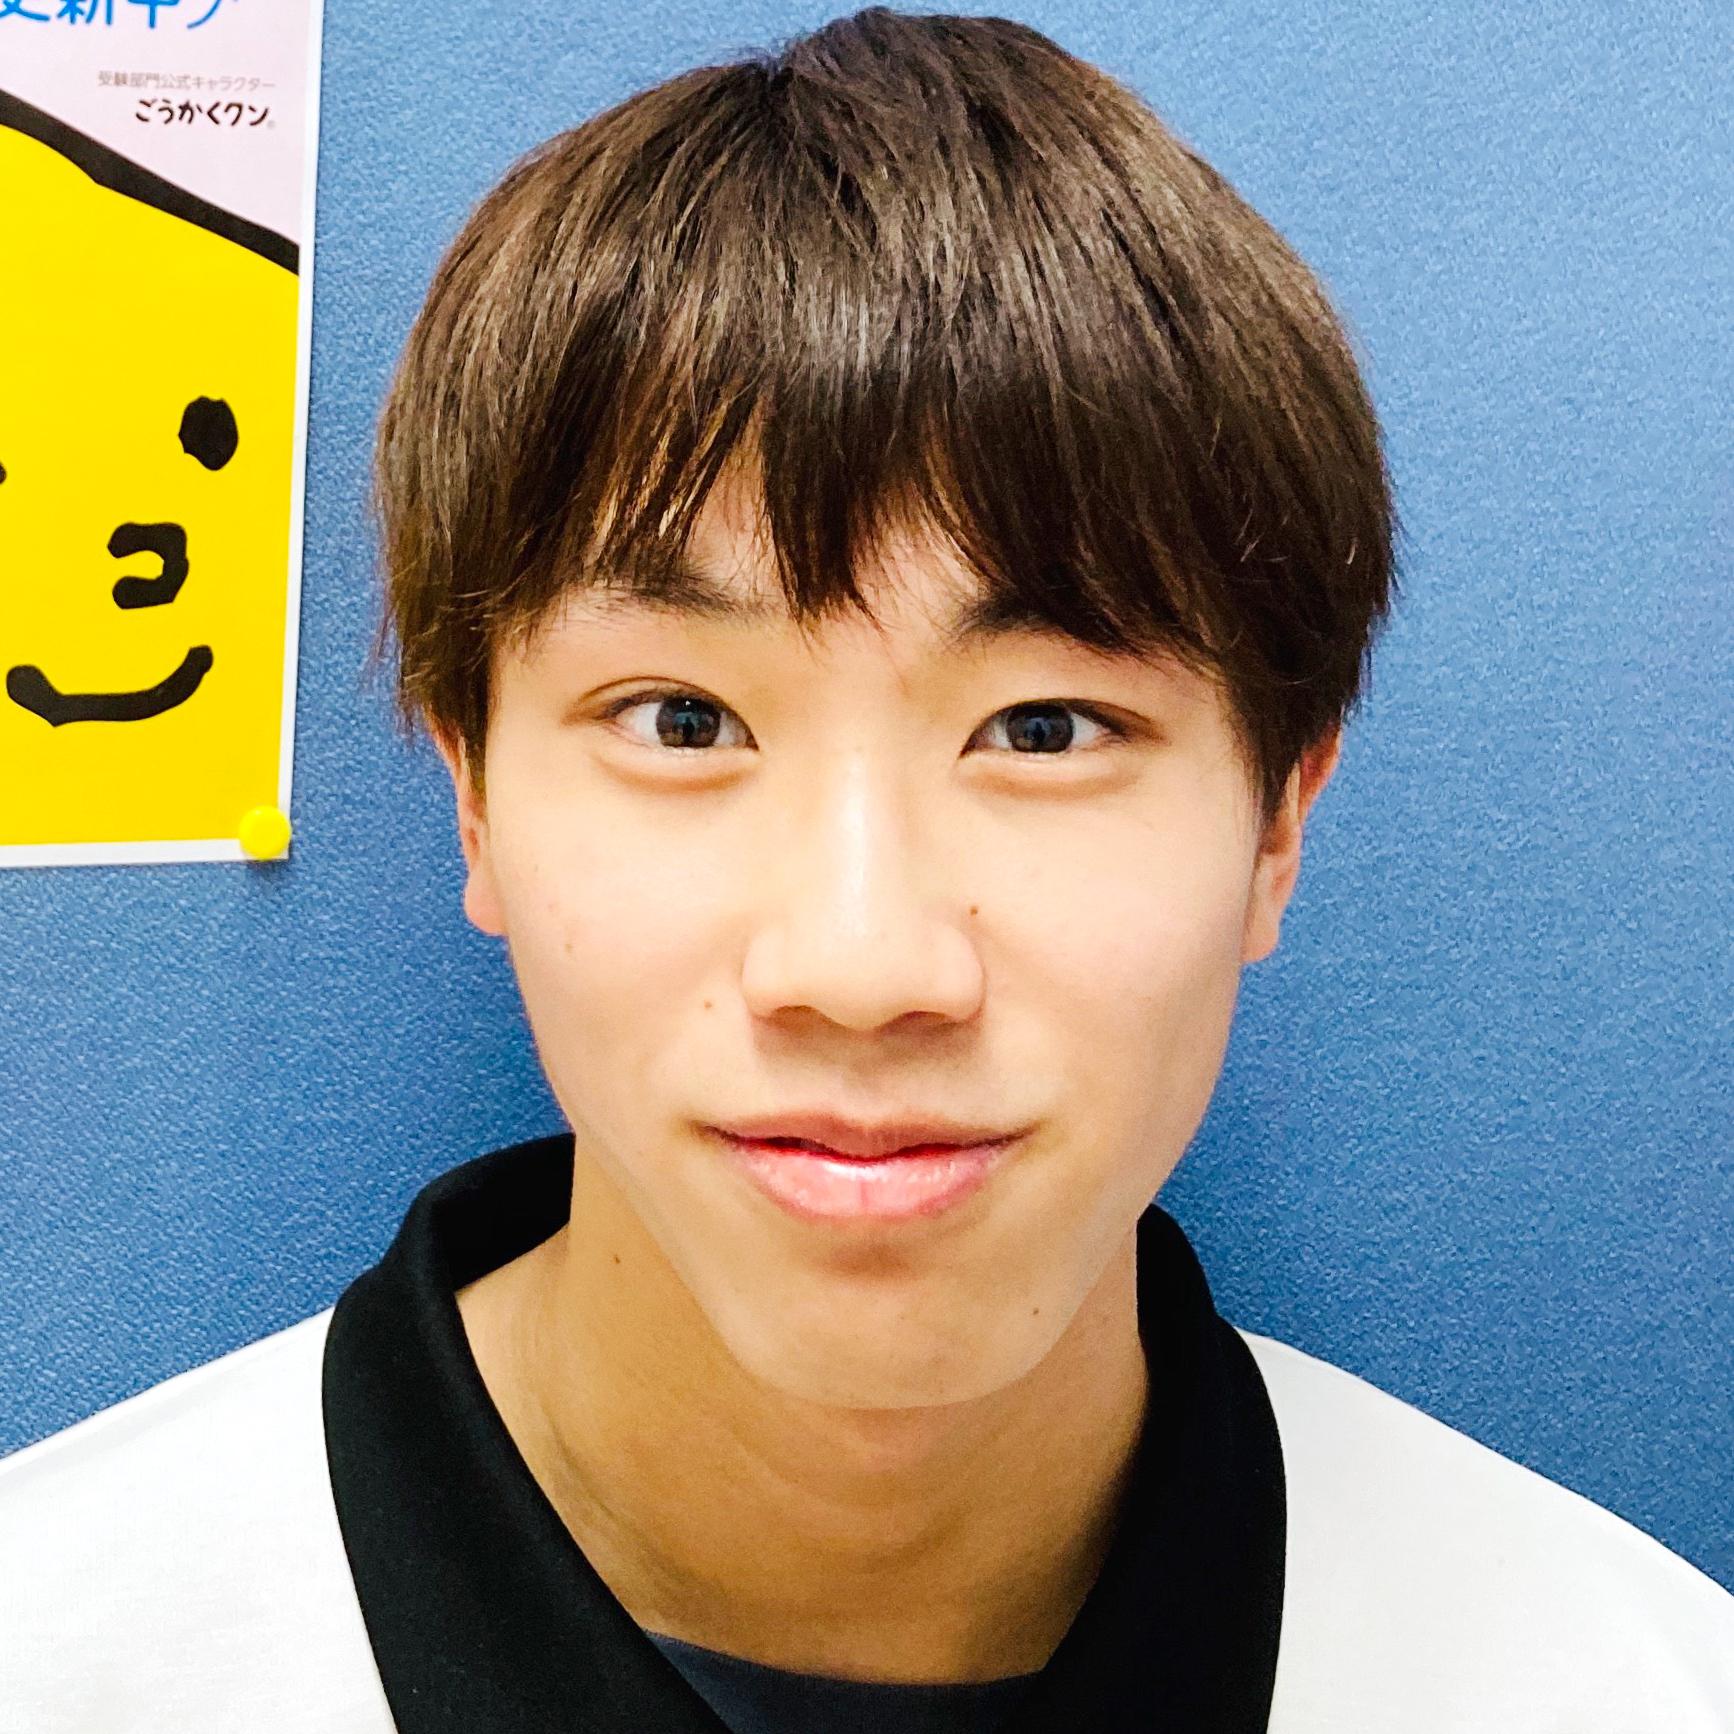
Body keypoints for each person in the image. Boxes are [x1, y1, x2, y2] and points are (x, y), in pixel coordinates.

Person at [3, 9, 1730, 1731]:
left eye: (1044, 728)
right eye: (681, 719)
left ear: (1276, 820)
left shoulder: (1627, 1680)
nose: (861, 962)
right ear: (473, 800)